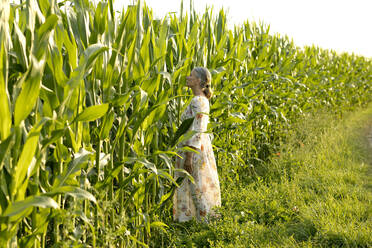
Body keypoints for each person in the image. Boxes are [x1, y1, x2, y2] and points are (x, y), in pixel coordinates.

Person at [173, 67, 221, 222]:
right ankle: (198, 223)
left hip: (193, 151)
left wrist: (188, 156)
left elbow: (198, 130)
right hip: (194, 149)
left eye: (191, 75)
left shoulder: (198, 101)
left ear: (199, 81)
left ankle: (205, 224)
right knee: (196, 186)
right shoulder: (201, 100)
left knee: (197, 188)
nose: (188, 77)